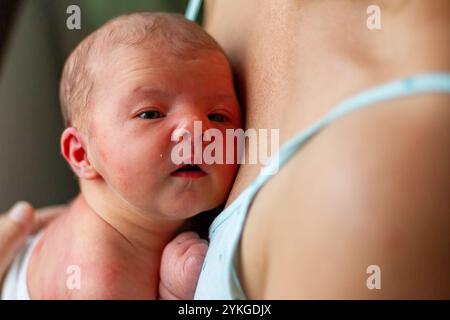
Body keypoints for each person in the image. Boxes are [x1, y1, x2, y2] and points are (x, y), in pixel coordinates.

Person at [1, 12, 242, 299]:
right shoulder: (102, 281)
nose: (199, 130)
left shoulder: (127, 214)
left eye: (218, 116)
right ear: (82, 154)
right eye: (150, 114)